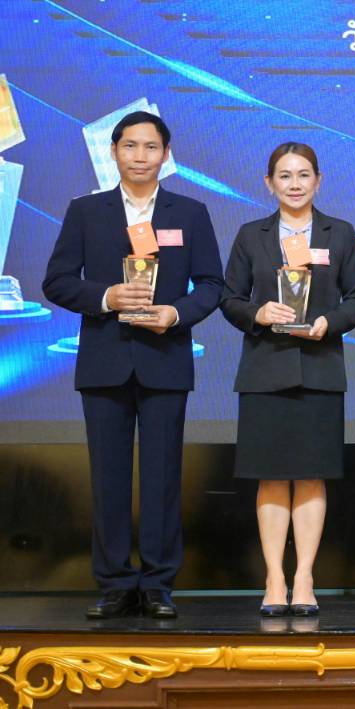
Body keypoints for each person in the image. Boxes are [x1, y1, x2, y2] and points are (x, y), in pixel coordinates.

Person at [42, 111, 224, 619]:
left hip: (165, 358)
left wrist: (175, 313)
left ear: (165, 154)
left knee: (164, 476)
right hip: (104, 361)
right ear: (114, 152)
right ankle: (115, 583)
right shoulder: (86, 211)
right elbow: (56, 281)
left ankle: (159, 583)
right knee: (108, 477)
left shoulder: (190, 212)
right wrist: (107, 296)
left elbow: (212, 284)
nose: (140, 156)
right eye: (130, 146)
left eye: (150, 147)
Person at [220, 142, 355, 616]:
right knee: (270, 478)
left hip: (319, 369)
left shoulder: (339, 233)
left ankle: (304, 576)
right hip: (265, 369)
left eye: (304, 175)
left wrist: (330, 322)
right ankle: (274, 578)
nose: (295, 184)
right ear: (269, 183)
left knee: (310, 476)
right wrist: (258, 312)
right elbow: (228, 297)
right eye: (284, 176)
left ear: (318, 181)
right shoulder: (252, 235)